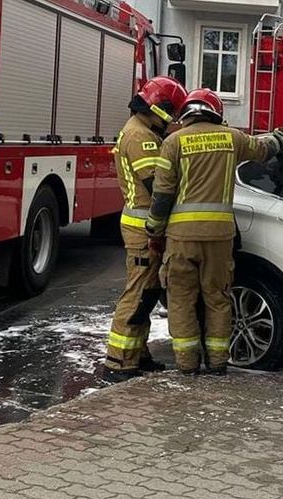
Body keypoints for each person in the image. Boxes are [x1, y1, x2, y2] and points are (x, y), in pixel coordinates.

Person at [144, 89, 283, 375]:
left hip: (181, 239)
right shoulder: (231, 138)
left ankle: (187, 364)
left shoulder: (173, 143)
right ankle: (218, 362)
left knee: (182, 299)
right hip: (220, 238)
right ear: (216, 112)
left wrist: (154, 232)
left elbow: (161, 196)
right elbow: (264, 149)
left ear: (187, 112)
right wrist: (280, 136)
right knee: (218, 297)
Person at [101, 76, 188, 383]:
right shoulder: (141, 138)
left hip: (143, 226)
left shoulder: (142, 130)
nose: (174, 119)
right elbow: (157, 187)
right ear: (161, 109)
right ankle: (118, 360)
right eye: (173, 113)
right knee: (138, 292)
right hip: (142, 228)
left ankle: (137, 353)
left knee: (148, 291)